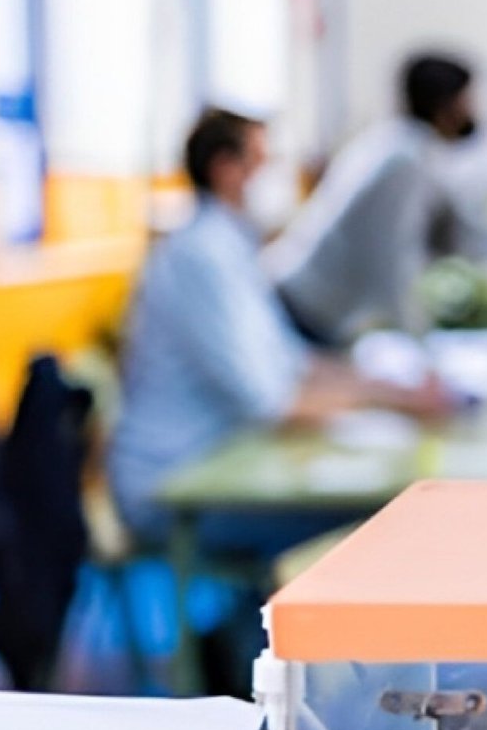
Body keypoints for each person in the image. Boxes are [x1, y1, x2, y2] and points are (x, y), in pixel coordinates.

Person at [109, 109, 448, 555]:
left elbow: (294, 363)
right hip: (176, 487)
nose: (273, 177)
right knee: (379, 523)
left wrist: (385, 385)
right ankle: (263, 624)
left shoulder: (231, 246)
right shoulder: (200, 256)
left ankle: (254, 622)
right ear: (226, 169)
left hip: (227, 465)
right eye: (261, 162)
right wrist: (393, 401)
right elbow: (272, 402)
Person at [270, 53, 481, 347]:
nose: (474, 110)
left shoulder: (393, 141)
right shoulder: (405, 161)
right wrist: (418, 342)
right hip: (305, 307)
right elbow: (392, 259)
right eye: (467, 99)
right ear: (446, 104)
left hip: (303, 300)